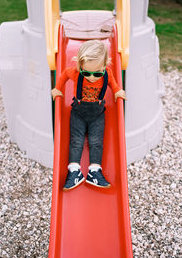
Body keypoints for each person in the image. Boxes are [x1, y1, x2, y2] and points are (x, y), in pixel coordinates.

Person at [51, 40, 126, 191]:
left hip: (98, 114)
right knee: (76, 141)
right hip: (78, 113)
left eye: (97, 73)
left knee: (96, 141)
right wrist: (57, 88)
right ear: (80, 67)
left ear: (105, 66)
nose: (92, 77)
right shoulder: (76, 73)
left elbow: (113, 84)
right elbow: (65, 74)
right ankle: (74, 172)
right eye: (87, 73)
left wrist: (118, 91)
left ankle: (94, 172)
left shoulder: (107, 74)